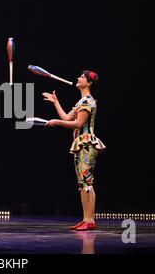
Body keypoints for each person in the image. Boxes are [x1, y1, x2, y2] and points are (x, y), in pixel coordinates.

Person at [43, 70, 105, 231]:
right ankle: (86, 219)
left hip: (87, 144)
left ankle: (90, 220)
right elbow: (67, 118)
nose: (78, 78)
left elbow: (78, 124)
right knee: (82, 183)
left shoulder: (88, 101)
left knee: (87, 182)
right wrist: (56, 102)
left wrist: (56, 122)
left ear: (89, 83)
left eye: (82, 77)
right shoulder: (81, 101)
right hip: (80, 145)